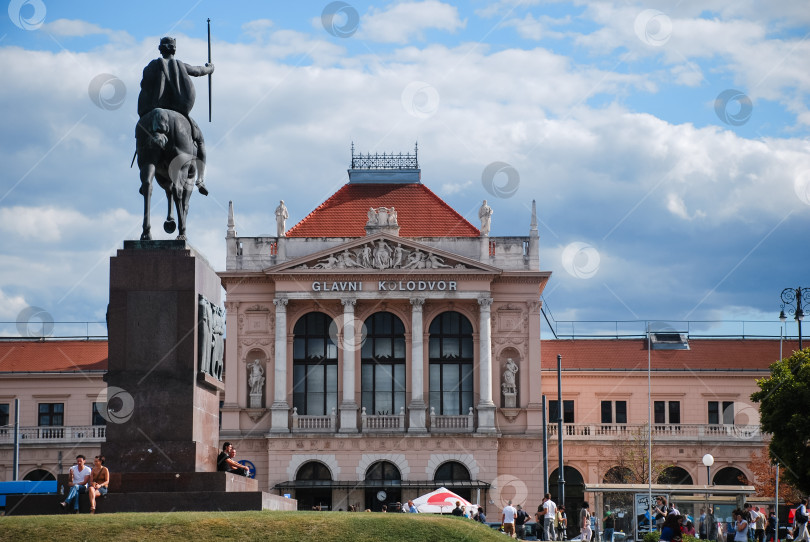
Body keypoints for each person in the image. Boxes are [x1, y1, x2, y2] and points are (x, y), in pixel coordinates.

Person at [138, 37, 214, 193]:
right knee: (200, 142)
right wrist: (210, 68)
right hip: (179, 112)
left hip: (152, 114)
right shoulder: (180, 66)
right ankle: (200, 180)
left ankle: (146, 179)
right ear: (174, 49)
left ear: (160, 49)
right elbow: (199, 71)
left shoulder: (151, 67)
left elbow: (143, 87)